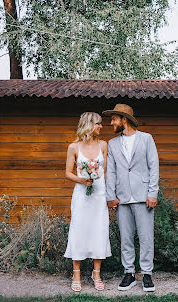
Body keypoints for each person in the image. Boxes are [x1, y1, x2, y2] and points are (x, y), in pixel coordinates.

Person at [102, 104, 159, 292]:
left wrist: (152, 193)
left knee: (145, 237)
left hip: (143, 196)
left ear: (123, 120)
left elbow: (154, 166)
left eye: (114, 119)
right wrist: (110, 195)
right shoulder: (112, 144)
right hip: (122, 197)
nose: (111, 123)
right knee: (126, 238)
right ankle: (129, 273)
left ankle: (147, 274)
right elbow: (110, 171)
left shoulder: (146, 139)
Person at [64, 112, 111, 292]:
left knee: (99, 229)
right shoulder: (73, 147)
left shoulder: (103, 145)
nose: (101, 127)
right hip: (81, 195)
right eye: (98, 124)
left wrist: (108, 195)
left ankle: (96, 273)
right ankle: (76, 274)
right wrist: (82, 180)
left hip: (99, 194)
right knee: (79, 229)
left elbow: (105, 172)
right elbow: (68, 173)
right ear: (89, 125)